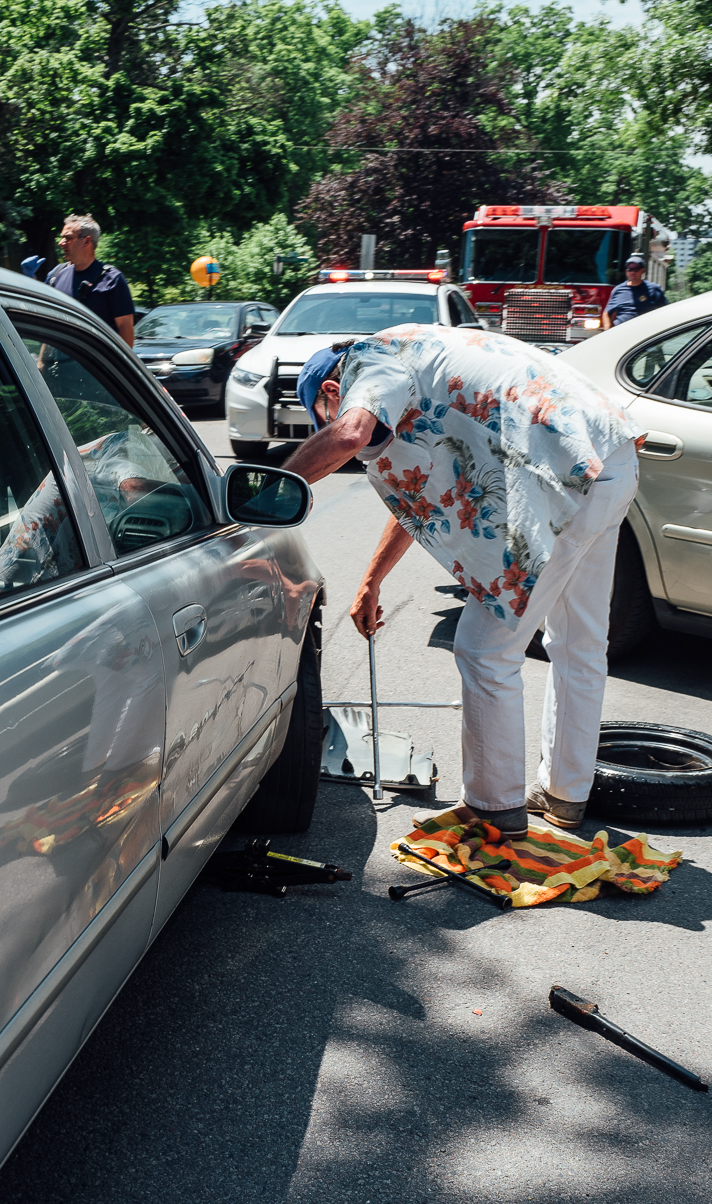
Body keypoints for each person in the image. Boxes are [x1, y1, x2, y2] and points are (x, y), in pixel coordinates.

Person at [280, 325, 643, 834]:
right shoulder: (414, 362)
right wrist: (372, 580)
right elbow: (416, 494)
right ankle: (566, 795)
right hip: (609, 455)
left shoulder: (368, 361)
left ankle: (494, 810)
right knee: (577, 642)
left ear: (333, 393)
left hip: (562, 468)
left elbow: (349, 434)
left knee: (484, 649)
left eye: (320, 414)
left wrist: (271, 488)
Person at [46, 215, 135, 346]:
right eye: (62, 238)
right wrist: (42, 362)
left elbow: (126, 329)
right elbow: (49, 324)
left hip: (96, 364)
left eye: (68, 238)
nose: (61, 243)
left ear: (86, 242)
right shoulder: (55, 276)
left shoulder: (112, 280)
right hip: (61, 363)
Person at [598, 253, 666, 330]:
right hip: (621, 332)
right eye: (629, 269)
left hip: (645, 334)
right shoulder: (618, 290)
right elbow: (607, 313)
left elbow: (665, 312)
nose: (632, 272)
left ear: (642, 271)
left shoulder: (654, 289)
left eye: (636, 269)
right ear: (626, 271)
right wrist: (607, 331)